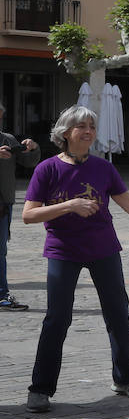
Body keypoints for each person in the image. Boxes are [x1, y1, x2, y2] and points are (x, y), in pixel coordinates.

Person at [21, 105, 129, 413]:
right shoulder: (47, 169)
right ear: (65, 133)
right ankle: (40, 389)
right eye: (81, 127)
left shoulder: (103, 169)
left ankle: (126, 379)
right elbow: (28, 215)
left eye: (92, 126)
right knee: (57, 318)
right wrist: (69, 205)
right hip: (63, 251)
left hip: (104, 249)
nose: (88, 132)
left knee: (117, 313)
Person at [0, 101, 41, 310]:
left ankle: (1, 296)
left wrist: (32, 149)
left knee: (0, 252)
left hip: (2, 206)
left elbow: (29, 163)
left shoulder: (7, 139)